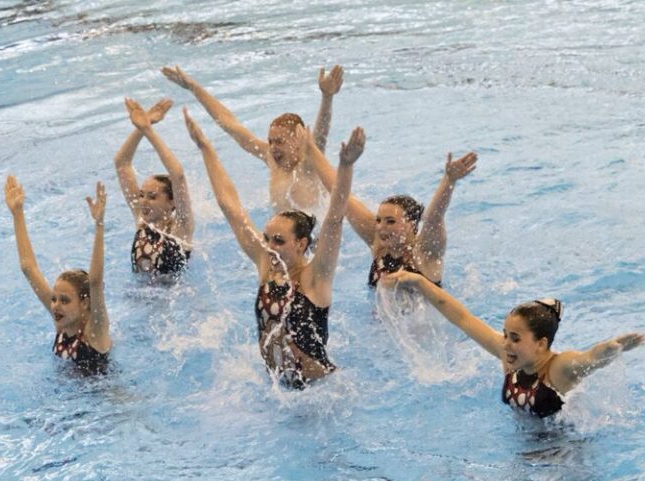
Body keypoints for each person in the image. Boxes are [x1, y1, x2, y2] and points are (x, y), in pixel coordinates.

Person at [183, 106, 361, 388]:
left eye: (278, 241)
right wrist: (205, 148)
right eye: (267, 238)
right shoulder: (266, 265)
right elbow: (230, 206)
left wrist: (346, 166)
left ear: (302, 244)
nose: (269, 246)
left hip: (320, 393)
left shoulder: (316, 277)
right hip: (278, 390)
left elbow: (336, 219)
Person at [382, 270, 645, 418]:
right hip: (525, 455)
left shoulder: (558, 368)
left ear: (541, 344)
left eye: (515, 338)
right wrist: (420, 282)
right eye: (506, 334)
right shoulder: (509, 358)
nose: (506, 344)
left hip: (564, 455)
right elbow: (462, 318)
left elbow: (588, 359)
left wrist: (612, 348)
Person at [162, 64, 344, 213]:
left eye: (279, 142)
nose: (272, 148)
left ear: (298, 141)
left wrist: (327, 97)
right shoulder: (271, 159)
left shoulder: (308, 165)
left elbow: (321, 135)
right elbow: (230, 125)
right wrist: (194, 88)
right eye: (270, 141)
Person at [304, 140, 477, 288]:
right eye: (379, 220)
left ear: (411, 224)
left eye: (390, 221)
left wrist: (449, 181)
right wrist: (311, 150)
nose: (381, 227)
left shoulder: (426, 252)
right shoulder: (379, 244)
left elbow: (434, 218)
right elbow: (343, 197)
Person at [5, 176, 111, 372]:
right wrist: (18, 214)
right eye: (54, 299)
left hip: (105, 397)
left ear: (85, 303)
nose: (55, 305)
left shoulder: (95, 331)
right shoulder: (62, 322)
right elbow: (29, 268)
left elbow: (95, 281)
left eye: (64, 300)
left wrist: (99, 225)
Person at [114, 98, 194, 278]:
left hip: (176, 301)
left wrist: (148, 131)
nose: (143, 201)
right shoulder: (141, 219)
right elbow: (121, 164)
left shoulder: (181, 228)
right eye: (141, 195)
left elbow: (178, 175)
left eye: (152, 196)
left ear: (171, 202)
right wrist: (142, 126)